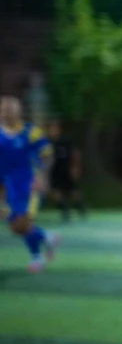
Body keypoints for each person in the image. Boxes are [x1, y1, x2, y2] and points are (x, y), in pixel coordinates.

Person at [0, 96, 60, 272]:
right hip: (7, 186)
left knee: (23, 224)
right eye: (2, 110)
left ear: (18, 112)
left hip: (30, 185)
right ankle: (48, 237)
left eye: (8, 110)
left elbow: (48, 156)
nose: (3, 113)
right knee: (15, 227)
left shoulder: (31, 132)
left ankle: (36, 257)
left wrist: (43, 177)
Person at [47, 119, 86, 223]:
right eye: (50, 129)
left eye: (54, 129)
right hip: (55, 171)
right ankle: (65, 211)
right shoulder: (48, 142)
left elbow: (76, 153)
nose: (52, 131)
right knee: (54, 193)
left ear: (59, 130)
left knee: (73, 192)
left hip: (67, 169)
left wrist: (75, 167)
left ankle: (80, 207)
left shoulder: (66, 140)